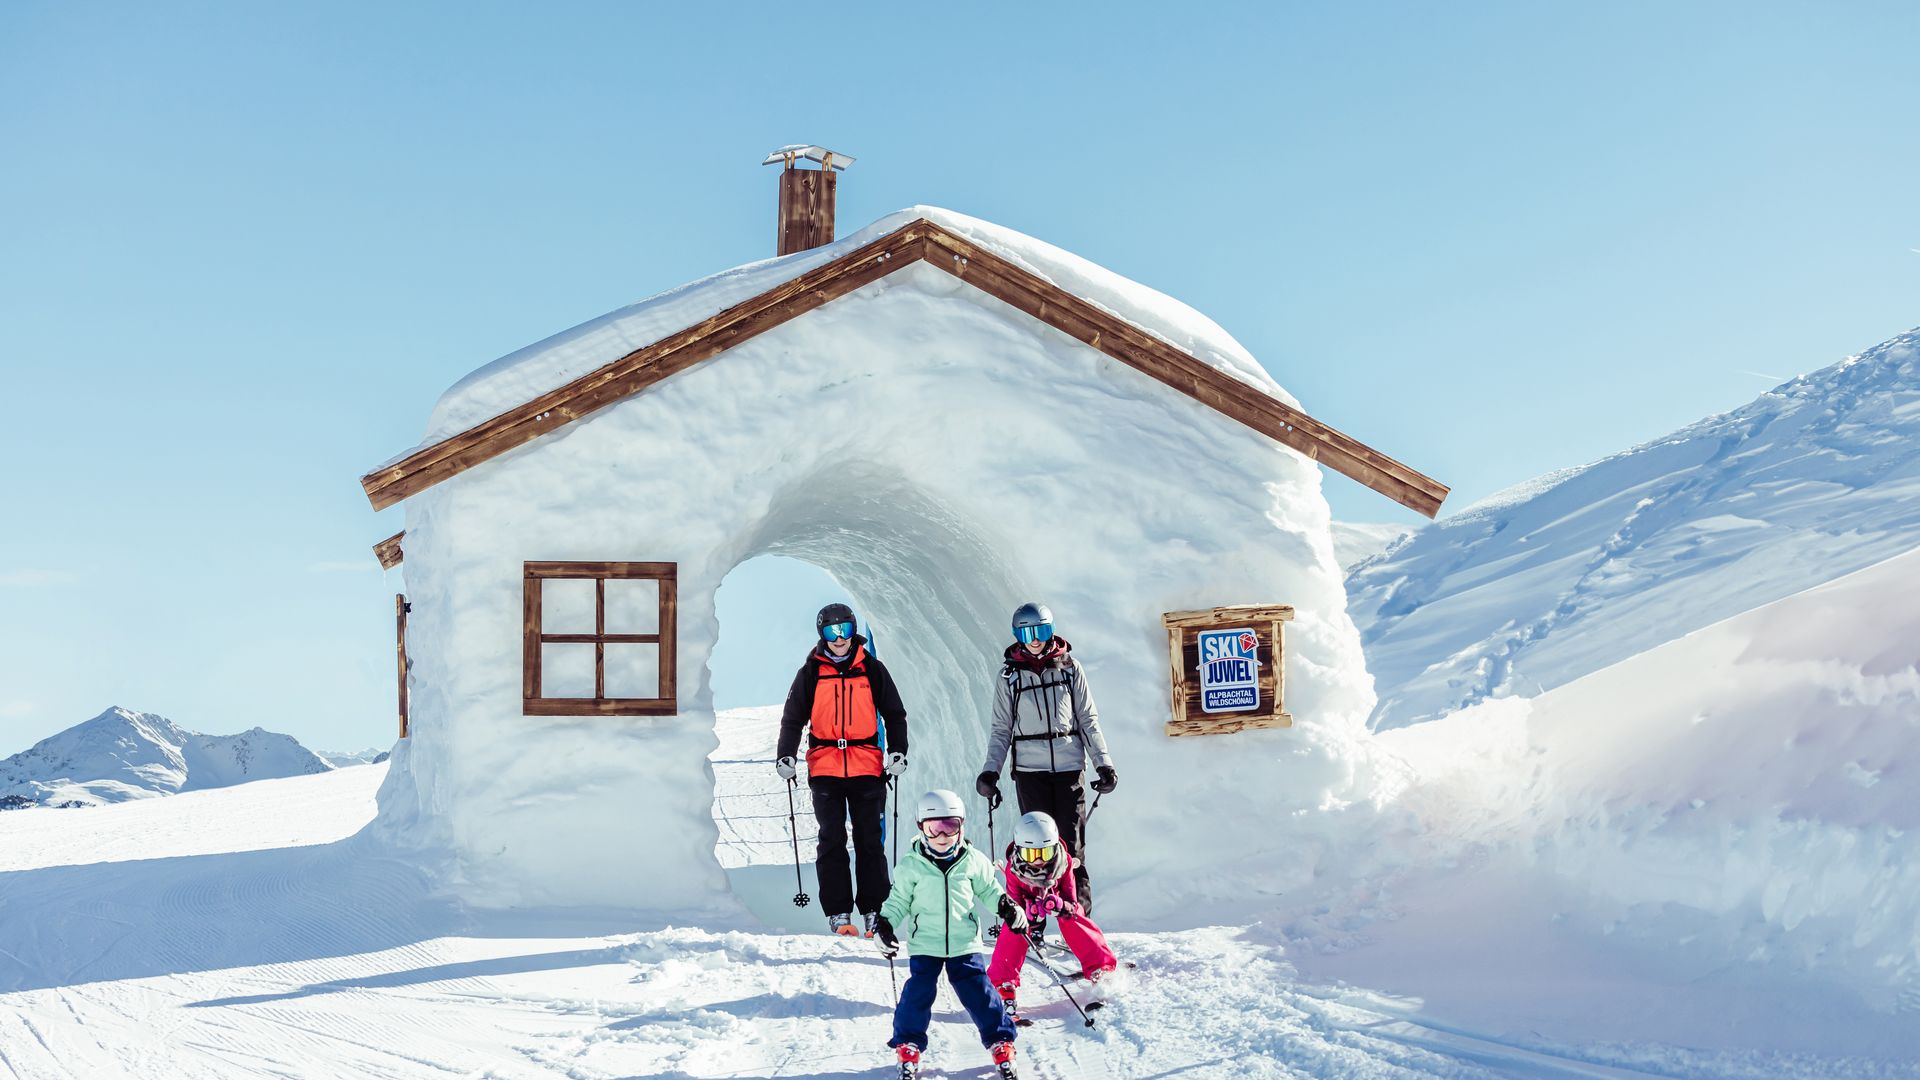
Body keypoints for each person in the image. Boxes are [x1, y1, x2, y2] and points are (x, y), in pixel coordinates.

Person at [775, 603, 909, 938]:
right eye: (832, 632)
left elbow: (894, 713)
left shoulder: (871, 669)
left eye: (845, 631)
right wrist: (785, 755)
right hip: (825, 767)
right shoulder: (811, 672)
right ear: (822, 634)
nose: (839, 639)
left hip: (866, 765)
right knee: (831, 839)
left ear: (853, 632)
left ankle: (874, 910)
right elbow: (793, 719)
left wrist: (897, 751)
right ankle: (838, 912)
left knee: (868, 841)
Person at [976, 602, 1117, 915]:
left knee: (1072, 848)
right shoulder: (1009, 677)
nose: (1034, 638)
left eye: (1040, 630)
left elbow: (1087, 719)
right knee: (1034, 850)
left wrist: (1103, 764)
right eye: (1026, 632)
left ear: (1050, 630)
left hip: (1069, 769)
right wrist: (990, 773)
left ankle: (1079, 920)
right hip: (1029, 773)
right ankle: (1033, 921)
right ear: (1017, 634)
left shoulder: (1069, 668)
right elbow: (1001, 730)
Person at [873, 789, 1023, 1080]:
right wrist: (885, 924)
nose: (942, 837)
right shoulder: (911, 865)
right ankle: (908, 1043)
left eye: (950, 827)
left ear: (961, 826)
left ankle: (1000, 1041)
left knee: (980, 992)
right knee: (917, 993)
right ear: (921, 828)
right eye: (934, 828)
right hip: (925, 944)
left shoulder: (973, 860)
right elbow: (898, 901)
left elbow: (989, 890)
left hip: (963, 943)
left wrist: (1006, 906)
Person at [986, 811, 1117, 1019]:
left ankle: (1100, 967)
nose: (1038, 861)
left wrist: (1061, 906)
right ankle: (1003, 982)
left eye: (1045, 853)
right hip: (1027, 905)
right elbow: (1013, 902)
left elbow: (1072, 902)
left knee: (1074, 919)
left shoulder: (1062, 863)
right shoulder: (1014, 869)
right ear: (1020, 850)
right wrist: (1026, 912)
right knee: (1014, 927)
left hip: (1054, 898)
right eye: (1031, 854)